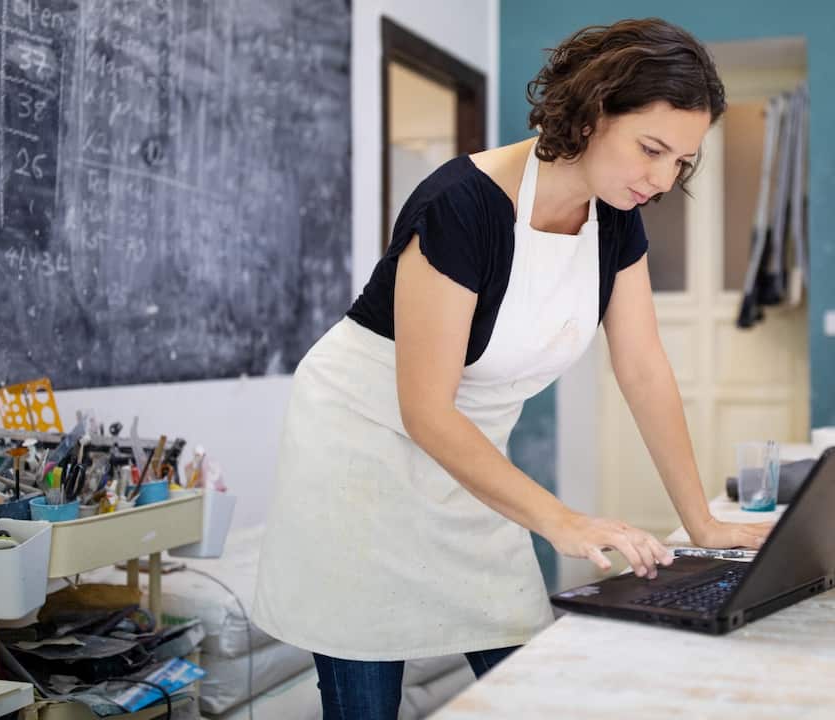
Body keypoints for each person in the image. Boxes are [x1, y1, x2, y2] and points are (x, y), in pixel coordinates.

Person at [253, 17, 772, 719]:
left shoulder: (615, 216)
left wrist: (701, 523)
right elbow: (425, 409)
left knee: (531, 685)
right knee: (366, 688)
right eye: (651, 149)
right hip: (362, 446)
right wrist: (563, 521)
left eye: (681, 162)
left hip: (470, 457)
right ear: (591, 113)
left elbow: (643, 368)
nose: (661, 179)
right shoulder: (460, 206)